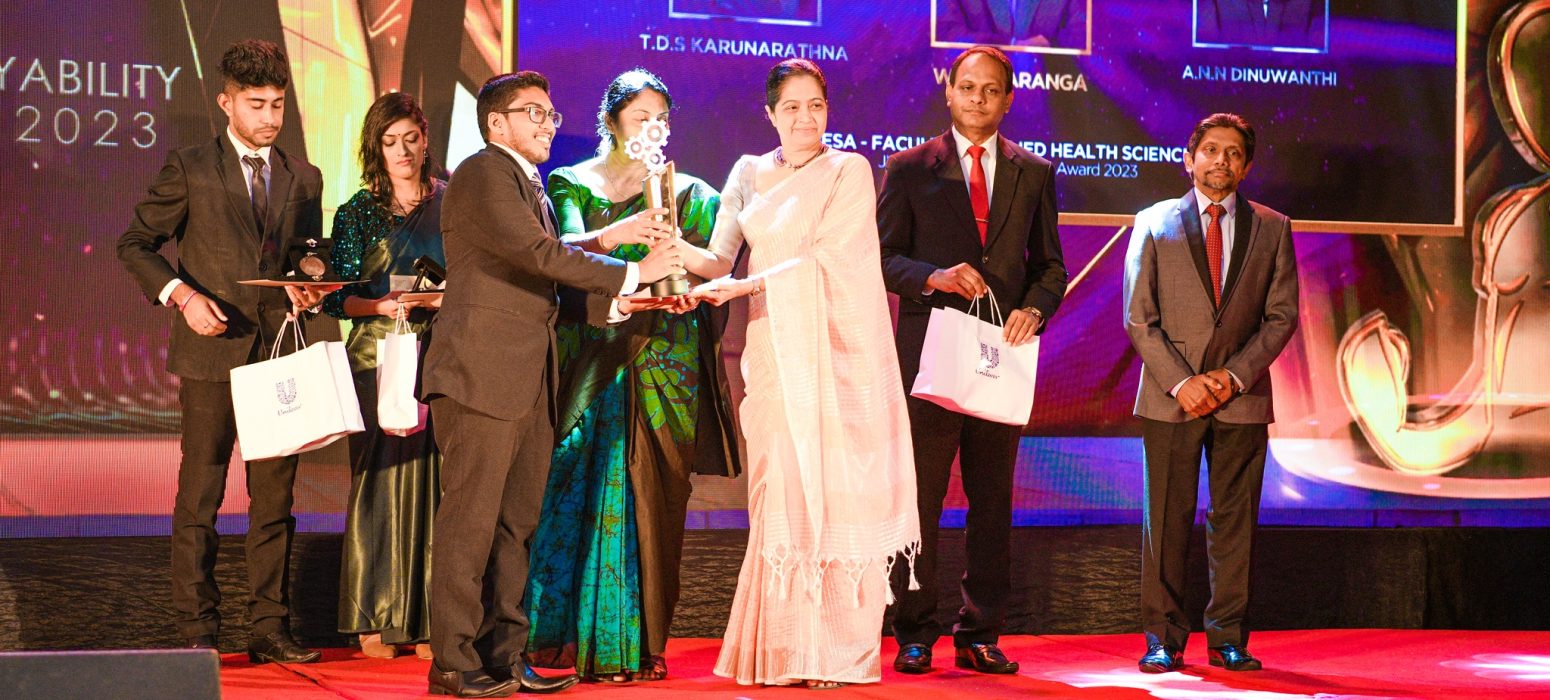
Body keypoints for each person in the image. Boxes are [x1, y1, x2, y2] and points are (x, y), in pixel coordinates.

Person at [417, 70, 685, 698]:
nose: (546, 123)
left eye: (550, 113)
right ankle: (453, 661)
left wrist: (617, 301)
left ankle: (505, 658)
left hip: (527, 378)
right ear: (496, 122)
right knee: (471, 524)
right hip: (480, 376)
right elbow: (538, 255)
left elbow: (540, 276)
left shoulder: (527, 183)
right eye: (532, 112)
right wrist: (632, 272)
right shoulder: (484, 172)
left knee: (517, 526)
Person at [682, 58, 921, 690]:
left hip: (839, 357)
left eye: (815, 104)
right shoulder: (747, 172)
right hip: (773, 351)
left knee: (837, 492)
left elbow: (831, 259)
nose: (805, 117)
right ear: (770, 114)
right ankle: (783, 650)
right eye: (791, 106)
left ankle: (837, 654)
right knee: (781, 492)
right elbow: (717, 259)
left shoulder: (848, 170)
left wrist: (744, 285)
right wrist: (666, 245)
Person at [116, 39, 333, 662]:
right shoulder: (189, 166)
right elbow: (135, 244)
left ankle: (270, 627)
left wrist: (309, 284)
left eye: (278, 104)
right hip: (210, 354)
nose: (270, 116)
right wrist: (182, 296)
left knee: (275, 502)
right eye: (256, 104)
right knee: (201, 497)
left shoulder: (303, 176)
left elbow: (302, 260)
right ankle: (198, 631)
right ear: (225, 102)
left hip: (279, 354)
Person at [523, 69, 741, 683]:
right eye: (641, 117)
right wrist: (617, 240)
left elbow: (706, 273)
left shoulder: (690, 192)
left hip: (665, 358)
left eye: (661, 119)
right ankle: (559, 639)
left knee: (657, 495)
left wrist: (691, 291)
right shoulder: (570, 182)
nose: (653, 128)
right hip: (593, 351)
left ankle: (641, 645)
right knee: (573, 484)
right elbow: (562, 253)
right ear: (612, 121)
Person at [878, 45, 1067, 677]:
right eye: (967, 87)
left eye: (991, 90)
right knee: (920, 500)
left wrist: (1035, 309)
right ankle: (913, 631)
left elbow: (1051, 267)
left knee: (991, 502)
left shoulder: (1033, 172)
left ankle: (981, 632)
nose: (978, 98)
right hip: (930, 357)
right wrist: (932, 276)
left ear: (1008, 100)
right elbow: (882, 258)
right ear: (949, 92)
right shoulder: (909, 168)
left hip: (999, 359)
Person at [1123, 113, 1299, 673]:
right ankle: (1163, 638)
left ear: (1246, 167)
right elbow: (1139, 317)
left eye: (1234, 153)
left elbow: (1281, 317)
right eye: (1211, 150)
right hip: (1170, 397)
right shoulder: (1152, 222)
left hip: (1241, 398)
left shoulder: (1273, 227)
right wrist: (1183, 382)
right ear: (1189, 158)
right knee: (1165, 522)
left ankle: (1228, 637)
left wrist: (1232, 377)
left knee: (1235, 524)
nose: (1221, 160)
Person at [324, 91, 445, 662]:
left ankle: (430, 617)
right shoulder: (357, 212)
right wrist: (382, 306)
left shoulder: (452, 202)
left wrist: (440, 300)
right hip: (375, 358)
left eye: (410, 139)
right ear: (376, 147)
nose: (402, 151)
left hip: (440, 353)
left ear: (425, 140)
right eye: (390, 142)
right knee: (377, 484)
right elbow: (338, 298)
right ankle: (375, 617)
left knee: (437, 484)